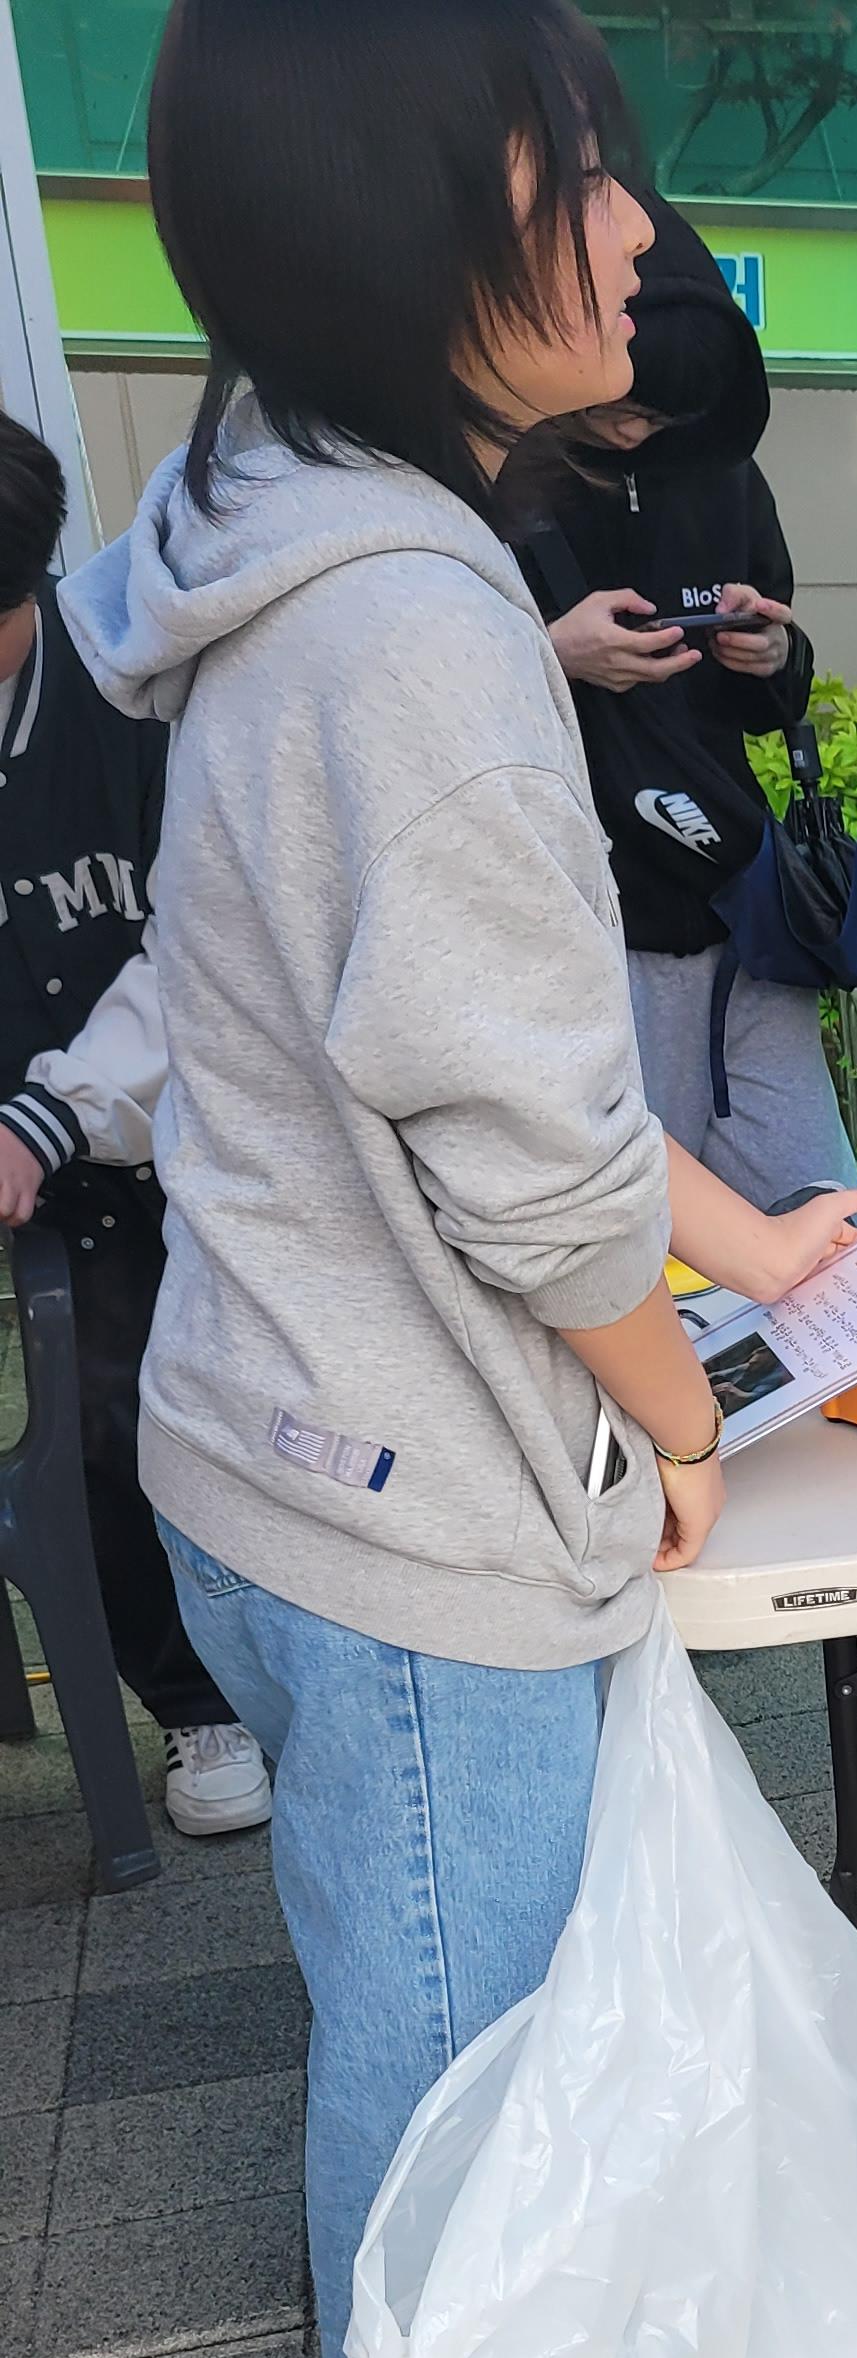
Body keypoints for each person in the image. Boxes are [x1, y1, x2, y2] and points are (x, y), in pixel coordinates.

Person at [79, 0, 857, 2358]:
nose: (641, 233)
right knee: (448, 2054)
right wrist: (683, 1408)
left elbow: (427, 1053)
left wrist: (759, 1257)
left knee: (408, 1992)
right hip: (407, 1498)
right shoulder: (420, 626)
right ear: (424, 226)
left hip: (276, 1428)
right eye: (588, 174)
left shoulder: (281, 531)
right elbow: (521, 1152)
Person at [0, 415, 268, 1835]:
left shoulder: (140, 690)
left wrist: (51, 1112)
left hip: (197, 1119)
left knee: (253, 1397)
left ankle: (286, 1667)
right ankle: (195, 1705)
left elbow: (203, 942)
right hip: (47, 1180)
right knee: (95, 1416)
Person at [514, 193, 852, 1211]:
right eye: (617, 407)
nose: (632, 428)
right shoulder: (501, 478)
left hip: (740, 904)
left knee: (814, 1198)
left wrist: (771, 654)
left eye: (659, 416)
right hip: (591, 915)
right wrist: (553, 655)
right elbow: (425, 695)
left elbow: (776, 688)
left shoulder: (722, 470)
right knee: (633, 1217)